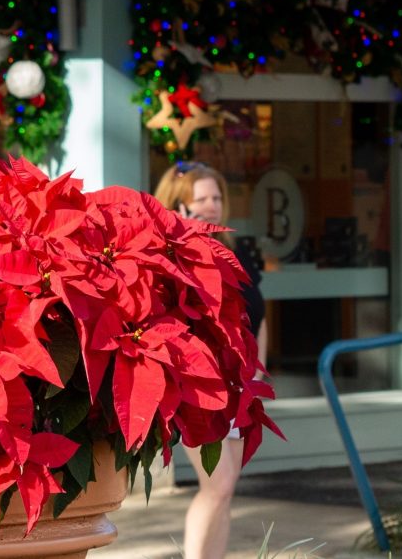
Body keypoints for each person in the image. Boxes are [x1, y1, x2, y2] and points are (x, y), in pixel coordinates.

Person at [154, 160, 265, 559]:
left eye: (216, 197)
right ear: (178, 205)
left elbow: (260, 317)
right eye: (200, 199)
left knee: (225, 490)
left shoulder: (236, 252)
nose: (212, 205)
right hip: (204, 387)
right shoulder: (175, 258)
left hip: (240, 385)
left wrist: (258, 380)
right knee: (216, 487)